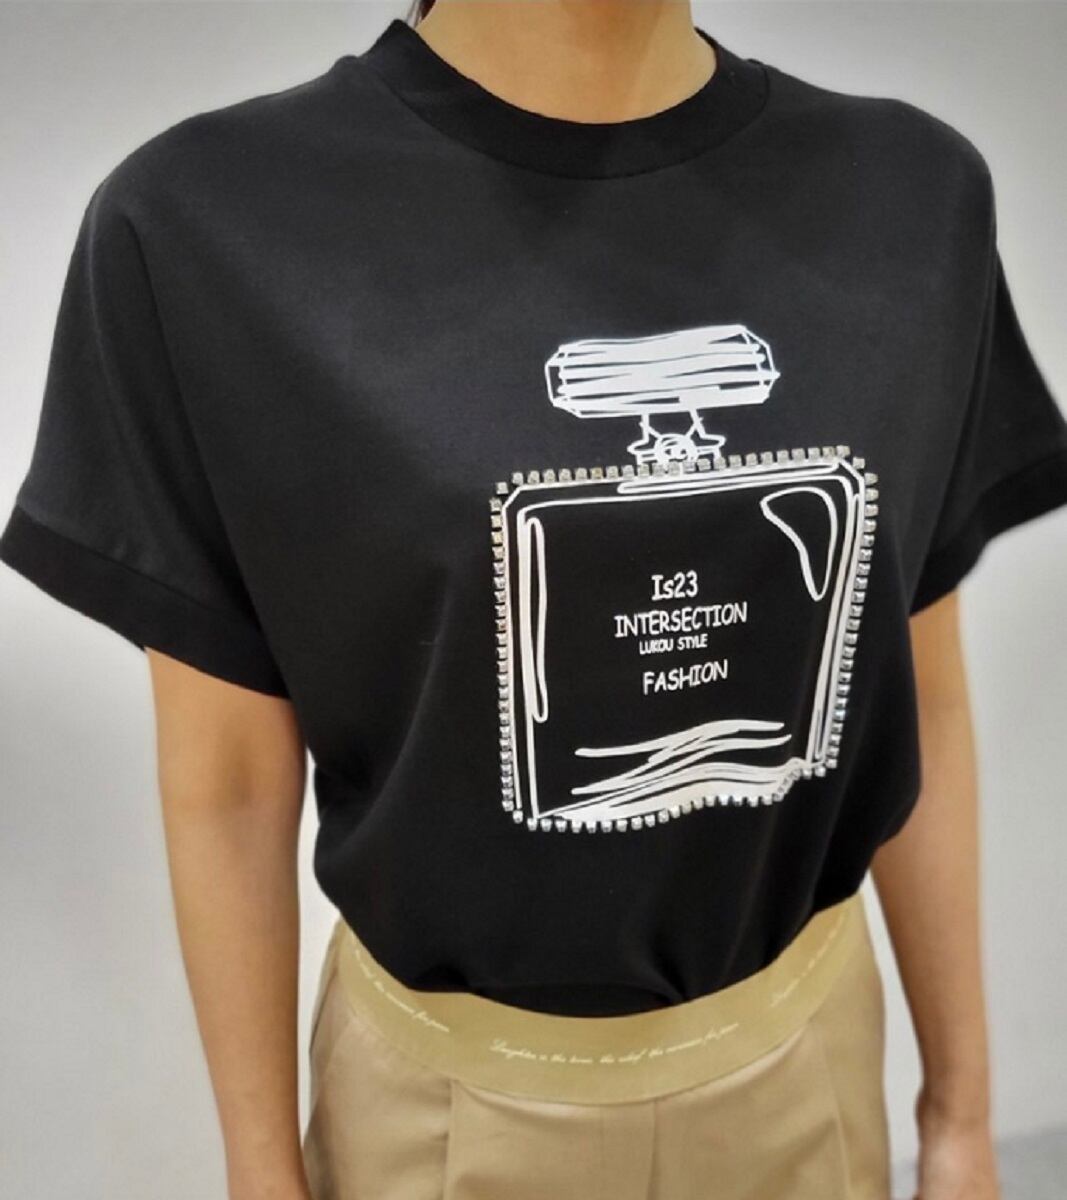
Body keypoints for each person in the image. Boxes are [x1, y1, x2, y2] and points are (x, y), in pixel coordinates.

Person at [3, 1, 1066, 1197]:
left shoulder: (907, 195)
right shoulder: (204, 228)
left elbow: (913, 686)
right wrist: (262, 1173)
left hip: (806, 1071)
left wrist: (959, 1115)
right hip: (443, 1116)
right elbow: (230, 780)